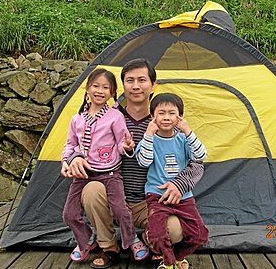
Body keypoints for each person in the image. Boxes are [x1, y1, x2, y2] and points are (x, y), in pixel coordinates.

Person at [62, 59, 205, 269]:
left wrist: (180, 183)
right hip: (112, 196)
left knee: (175, 230)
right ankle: (109, 246)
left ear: (153, 84)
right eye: (130, 80)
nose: (136, 86)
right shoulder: (109, 117)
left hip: (151, 202)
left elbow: (196, 161)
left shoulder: (165, 117)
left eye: (142, 80)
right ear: (121, 86)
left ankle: (150, 241)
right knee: (91, 189)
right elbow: (81, 139)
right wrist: (74, 157)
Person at [61, 68, 148, 263]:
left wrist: (126, 146)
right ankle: (86, 239)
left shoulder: (115, 116)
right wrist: (68, 160)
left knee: (120, 209)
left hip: (110, 173)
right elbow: (70, 145)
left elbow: (121, 142)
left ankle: (131, 239)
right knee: (69, 214)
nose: (100, 91)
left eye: (105, 87)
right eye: (95, 86)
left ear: (112, 92)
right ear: (87, 88)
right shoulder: (77, 119)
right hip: (84, 174)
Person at [136, 93, 209, 269]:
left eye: (171, 113)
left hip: (184, 197)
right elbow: (143, 161)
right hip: (157, 197)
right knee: (157, 236)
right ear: (153, 116)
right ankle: (168, 262)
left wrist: (188, 131)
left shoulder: (183, 139)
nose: (166, 117)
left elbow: (201, 156)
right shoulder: (149, 139)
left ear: (180, 117)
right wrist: (148, 133)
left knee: (200, 235)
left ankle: (176, 257)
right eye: (161, 113)